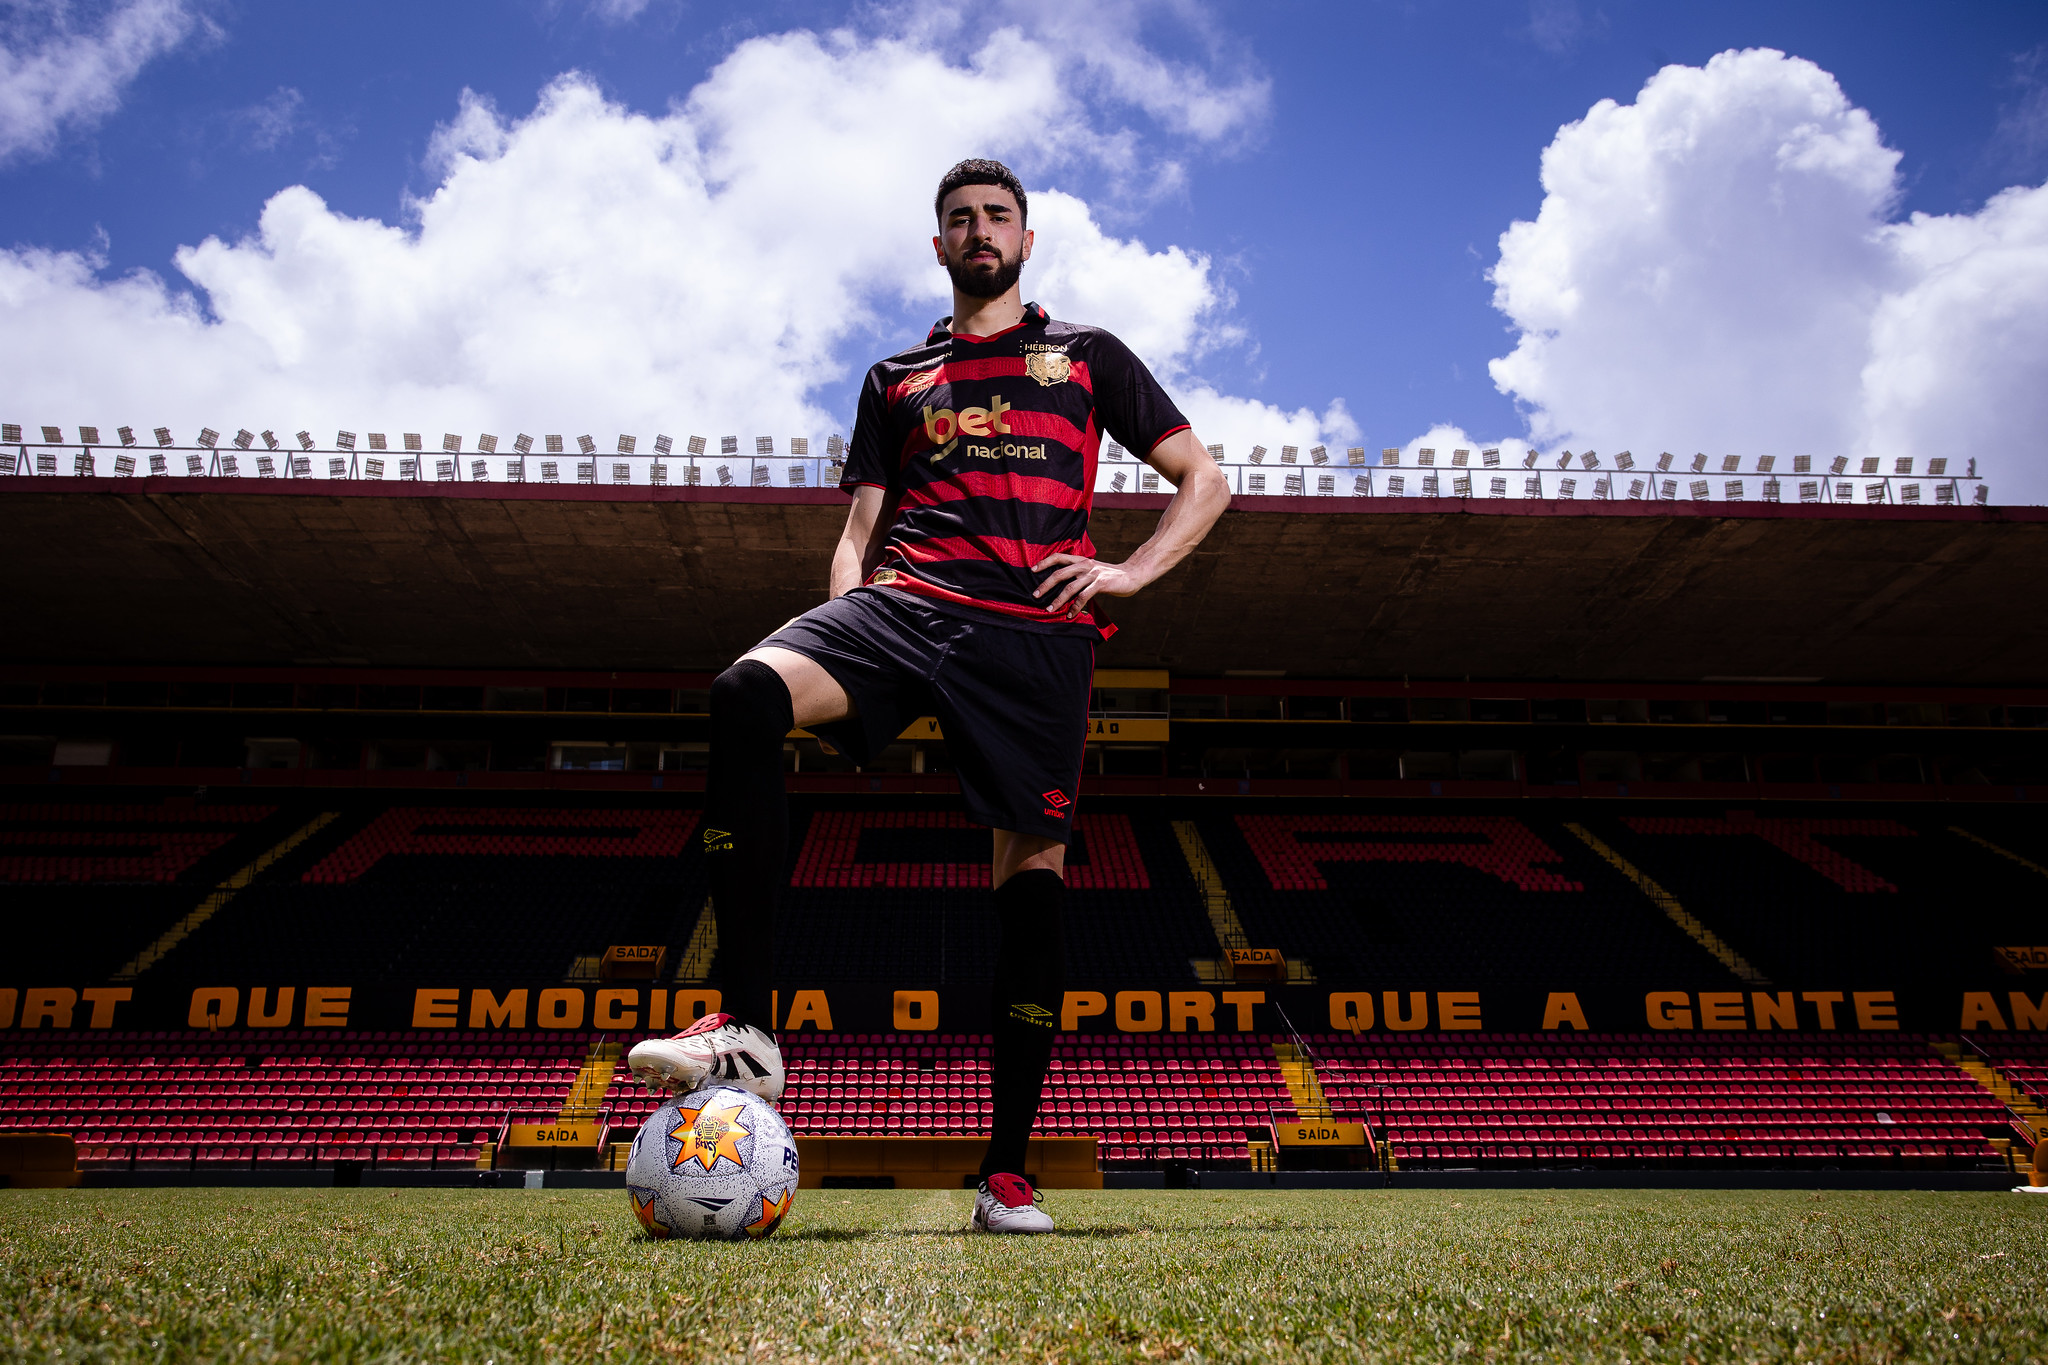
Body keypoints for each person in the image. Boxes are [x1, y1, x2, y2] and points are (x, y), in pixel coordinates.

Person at [629, 157, 1231, 1232]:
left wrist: (1130, 571)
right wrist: (836, 623)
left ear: (1025, 241)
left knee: (1031, 878)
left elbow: (1205, 479)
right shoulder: (894, 377)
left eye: (997, 216)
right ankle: (751, 1030)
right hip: (903, 604)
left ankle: (1005, 1175)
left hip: (1035, 639)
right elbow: (856, 534)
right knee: (742, 695)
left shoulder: (1085, 358)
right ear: (939, 245)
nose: (979, 230)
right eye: (960, 219)